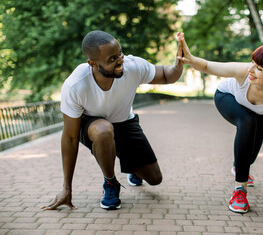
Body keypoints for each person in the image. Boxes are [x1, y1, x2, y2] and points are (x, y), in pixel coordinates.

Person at [41, 30, 183, 210]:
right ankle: (110, 183)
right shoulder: (75, 85)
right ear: (92, 63)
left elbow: (165, 75)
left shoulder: (132, 66)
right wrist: (66, 188)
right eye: (111, 59)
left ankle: (131, 167)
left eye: (120, 54)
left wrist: (178, 63)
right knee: (104, 131)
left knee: (155, 179)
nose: (120, 61)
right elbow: (70, 137)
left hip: (124, 123)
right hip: (92, 125)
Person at [177, 32, 263, 219]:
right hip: (227, 97)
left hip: (259, 112)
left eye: (259, 68)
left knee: (248, 159)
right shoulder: (244, 72)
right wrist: (190, 58)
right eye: (252, 63)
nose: (251, 70)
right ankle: (239, 191)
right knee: (247, 121)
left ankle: (239, 166)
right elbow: (208, 66)